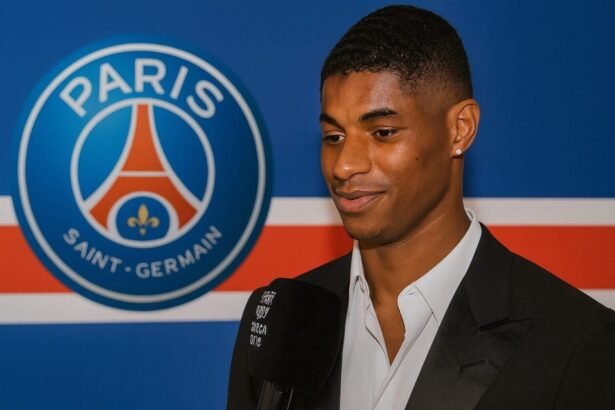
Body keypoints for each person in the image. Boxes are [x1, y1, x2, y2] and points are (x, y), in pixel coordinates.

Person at [228, 5, 615, 409]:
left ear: (459, 129)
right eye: (334, 136)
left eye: (383, 132)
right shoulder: (280, 319)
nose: (344, 166)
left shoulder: (576, 342)